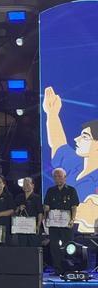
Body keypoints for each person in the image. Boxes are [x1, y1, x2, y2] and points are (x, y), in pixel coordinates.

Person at [43, 86, 98, 230]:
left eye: (85, 137)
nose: (76, 139)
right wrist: (52, 113)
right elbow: (58, 143)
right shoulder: (75, 164)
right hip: (66, 229)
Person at [44, 168, 79, 275]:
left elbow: (74, 207)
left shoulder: (71, 190)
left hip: (66, 224)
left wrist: (73, 219)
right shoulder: (50, 191)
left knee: (68, 246)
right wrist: (46, 218)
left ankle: (68, 269)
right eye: (55, 176)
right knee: (54, 247)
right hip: (54, 224)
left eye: (60, 176)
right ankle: (58, 270)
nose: (57, 178)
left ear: (65, 177)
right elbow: (46, 207)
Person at [14, 177, 44, 248]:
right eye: (24, 185)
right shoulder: (19, 197)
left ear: (32, 185)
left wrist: (38, 225)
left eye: (27, 184)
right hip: (22, 227)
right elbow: (14, 210)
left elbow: (40, 212)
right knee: (23, 247)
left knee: (34, 247)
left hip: (33, 226)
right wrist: (19, 208)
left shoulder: (37, 198)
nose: (25, 186)